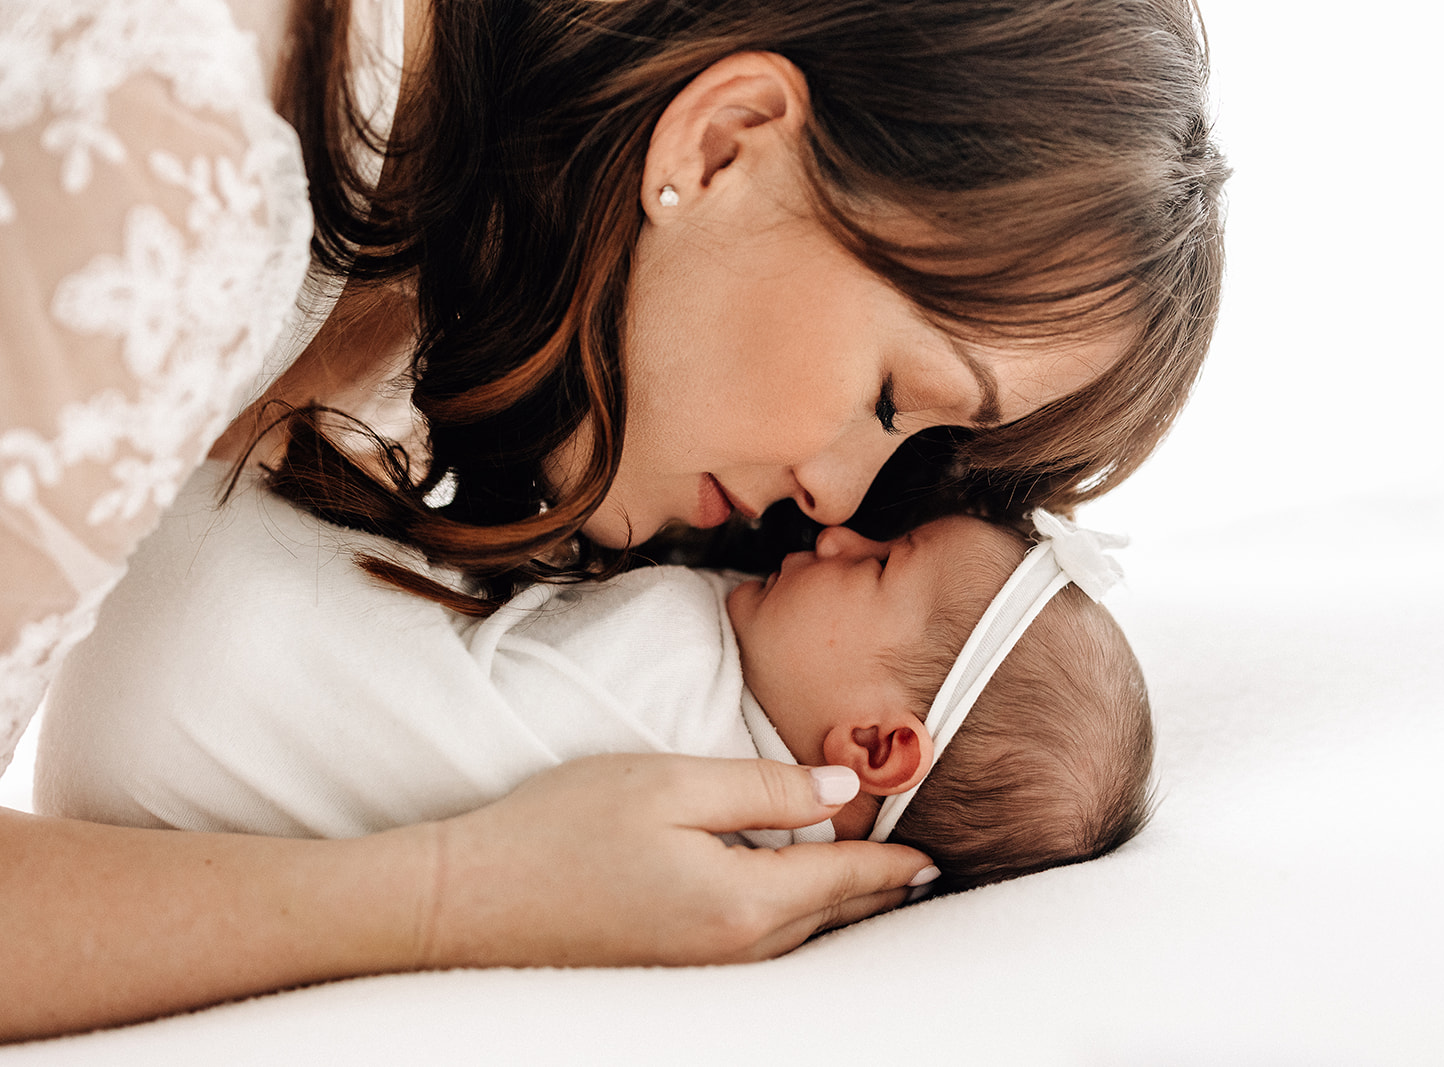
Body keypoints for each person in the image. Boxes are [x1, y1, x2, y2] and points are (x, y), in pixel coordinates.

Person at [0, 0, 1226, 1039]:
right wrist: (453, 896)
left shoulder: (427, 319)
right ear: (726, 141)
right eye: (894, 399)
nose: (838, 504)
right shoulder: (158, 158)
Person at [37, 463, 1153, 893]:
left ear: (872, 744)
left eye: (876, 568)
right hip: (115, 774)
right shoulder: (755, 804)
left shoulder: (680, 688)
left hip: (185, 676)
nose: (836, 534)